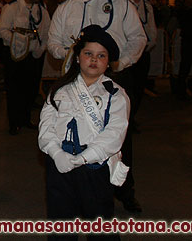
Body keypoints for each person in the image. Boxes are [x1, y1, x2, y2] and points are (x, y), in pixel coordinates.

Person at [47, 0, 146, 213]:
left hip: (110, 77)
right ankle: (77, 184)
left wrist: (119, 63)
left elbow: (138, 38)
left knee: (118, 140)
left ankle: (124, 189)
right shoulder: (66, 6)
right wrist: (67, 55)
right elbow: (53, 41)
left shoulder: (119, 3)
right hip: (76, 80)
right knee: (74, 131)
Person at [39, 25, 129, 241]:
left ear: (108, 62)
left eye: (101, 56)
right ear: (78, 57)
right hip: (60, 164)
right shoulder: (59, 89)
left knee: (100, 225)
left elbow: (114, 134)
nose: (94, 60)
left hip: (95, 167)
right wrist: (55, 152)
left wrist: (85, 157)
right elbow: (46, 126)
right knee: (61, 224)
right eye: (88, 54)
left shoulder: (116, 94)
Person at [0, 0, 50, 135]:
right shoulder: (12, 8)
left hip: (34, 55)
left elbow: (47, 30)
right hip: (15, 56)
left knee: (31, 88)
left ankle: (26, 118)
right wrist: (19, 42)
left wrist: (40, 48)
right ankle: (14, 122)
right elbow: (2, 30)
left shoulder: (41, 9)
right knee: (15, 90)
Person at [126, 0, 156, 127]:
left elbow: (151, 28)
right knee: (128, 88)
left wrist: (149, 45)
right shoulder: (125, 4)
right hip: (129, 53)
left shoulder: (147, 6)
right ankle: (126, 119)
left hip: (143, 52)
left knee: (139, 88)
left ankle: (132, 118)